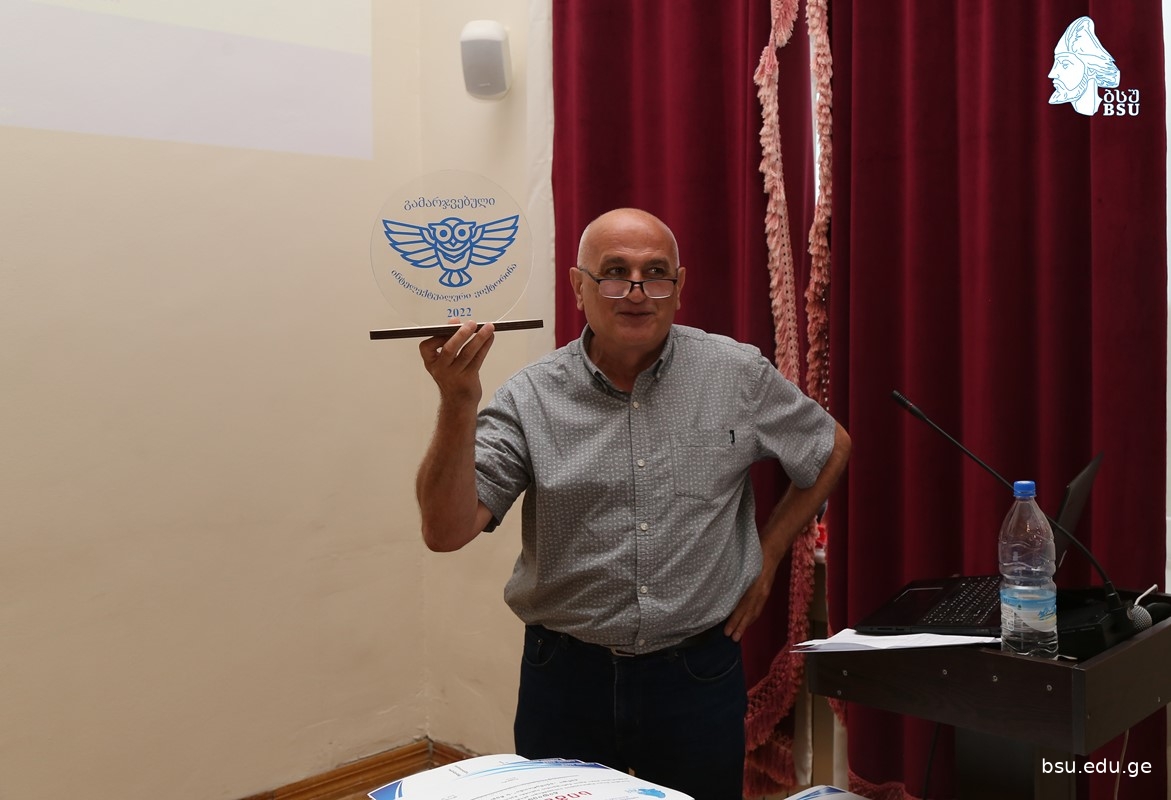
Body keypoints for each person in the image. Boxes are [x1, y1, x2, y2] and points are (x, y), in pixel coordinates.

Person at [416, 208, 851, 799]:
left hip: (697, 674)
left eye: (656, 273)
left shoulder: (735, 374)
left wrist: (769, 554)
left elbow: (829, 447)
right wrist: (458, 401)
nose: (638, 291)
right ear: (579, 288)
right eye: (616, 272)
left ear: (680, 286)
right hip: (565, 678)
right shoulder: (530, 398)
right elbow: (445, 531)